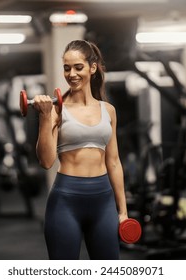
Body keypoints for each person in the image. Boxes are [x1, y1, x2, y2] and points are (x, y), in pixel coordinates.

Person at [32, 39, 128, 260]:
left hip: (103, 202)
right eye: (67, 68)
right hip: (66, 200)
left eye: (78, 67)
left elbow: (113, 162)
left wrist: (122, 211)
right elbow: (46, 161)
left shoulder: (108, 110)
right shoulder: (56, 110)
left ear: (92, 68)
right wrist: (45, 118)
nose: (71, 74)